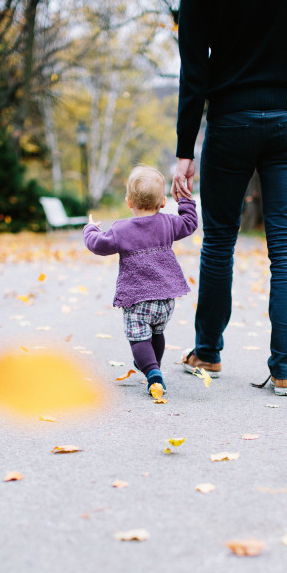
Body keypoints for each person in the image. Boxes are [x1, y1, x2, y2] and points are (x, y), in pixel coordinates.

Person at [172, 0, 287, 397]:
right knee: (285, 242)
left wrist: (184, 151)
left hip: (231, 120)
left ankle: (208, 352)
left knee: (218, 242)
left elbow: (194, 69)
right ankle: (286, 370)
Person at [83, 165, 197, 399]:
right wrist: (185, 199)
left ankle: (152, 371)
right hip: (165, 298)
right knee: (157, 332)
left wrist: (90, 229)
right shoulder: (168, 223)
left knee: (138, 337)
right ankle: (153, 365)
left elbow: (97, 245)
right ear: (163, 202)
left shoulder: (121, 229)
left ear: (129, 202)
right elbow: (189, 223)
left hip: (137, 299)